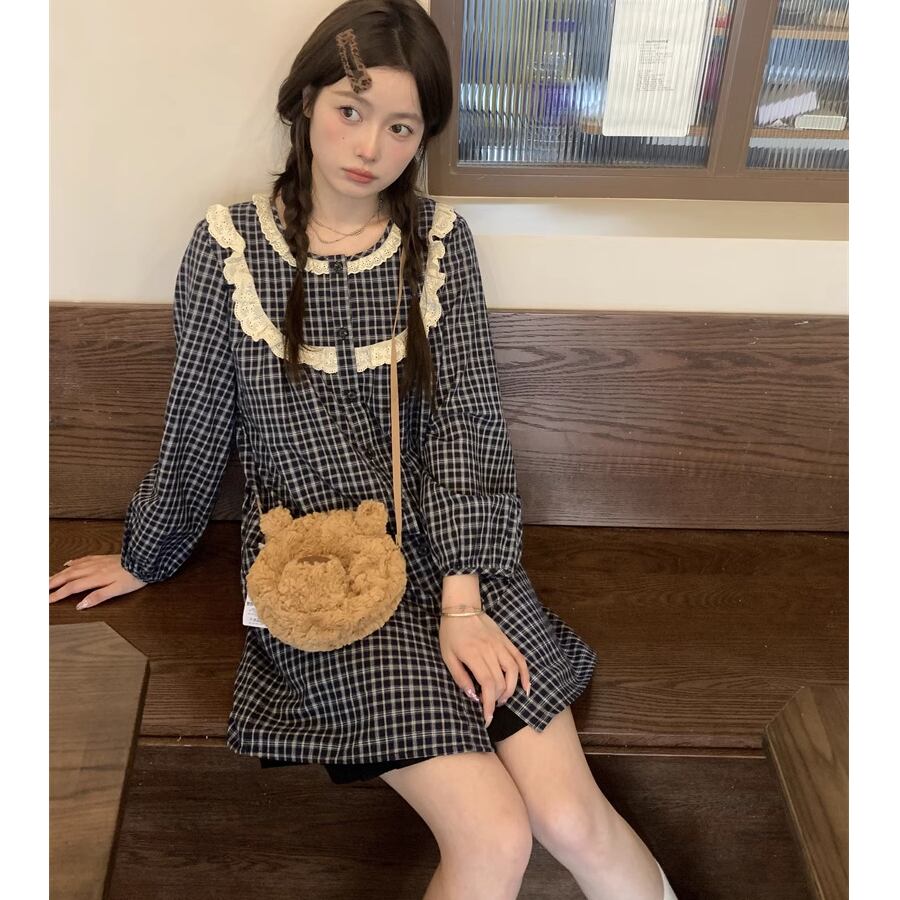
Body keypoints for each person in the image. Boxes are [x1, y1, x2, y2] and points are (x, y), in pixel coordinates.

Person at [48, 2, 678, 898]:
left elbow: (468, 425)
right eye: (351, 110)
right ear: (306, 101)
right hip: (321, 569)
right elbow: (198, 423)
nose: (370, 145)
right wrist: (146, 554)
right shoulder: (229, 246)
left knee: (572, 818)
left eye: (401, 126)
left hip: (458, 555)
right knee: (493, 833)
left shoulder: (441, 246)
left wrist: (464, 601)